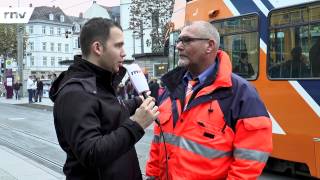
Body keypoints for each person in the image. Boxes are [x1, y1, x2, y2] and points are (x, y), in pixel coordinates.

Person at [146, 21, 272, 179]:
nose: (178, 46)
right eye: (179, 40)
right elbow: (157, 144)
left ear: (209, 46)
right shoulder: (171, 88)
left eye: (187, 40)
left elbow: (249, 161)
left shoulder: (242, 94)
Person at [49, 18, 159, 180]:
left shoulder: (99, 82)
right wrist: (136, 124)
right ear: (98, 48)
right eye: (118, 45)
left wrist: (137, 103)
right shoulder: (76, 92)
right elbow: (91, 153)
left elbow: (108, 112)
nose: (124, 52)